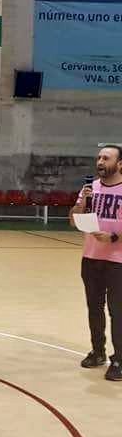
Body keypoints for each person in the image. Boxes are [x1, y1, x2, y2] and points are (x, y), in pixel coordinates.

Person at [70, 144, 122, 382]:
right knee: (94, 307)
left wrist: (113, 237)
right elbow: (73, 219)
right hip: (91, 257)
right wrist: (82, 206)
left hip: (117, 260)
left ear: (120, 164)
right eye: (99, 158)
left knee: (117, 311)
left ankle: (119, 359)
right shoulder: (90, 188)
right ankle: (98, 351)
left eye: (106, 158)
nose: (100, 162)